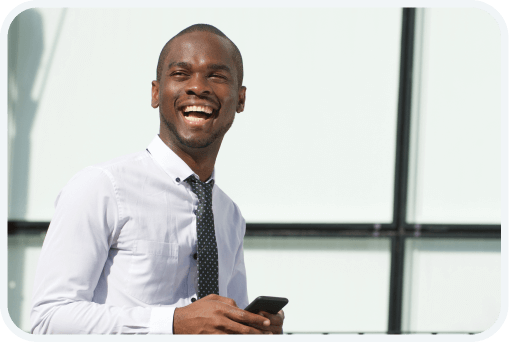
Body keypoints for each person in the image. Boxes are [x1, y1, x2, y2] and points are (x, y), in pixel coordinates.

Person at [30, 23, 284, 335]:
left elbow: (219, 324)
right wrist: (173, 323)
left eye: (216, 76)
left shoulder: (229, 215)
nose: (198, 87)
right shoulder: (101, 188)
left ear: (241, 100)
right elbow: (47, 320)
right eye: (181, 74)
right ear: (155, 93)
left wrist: (251, 326)